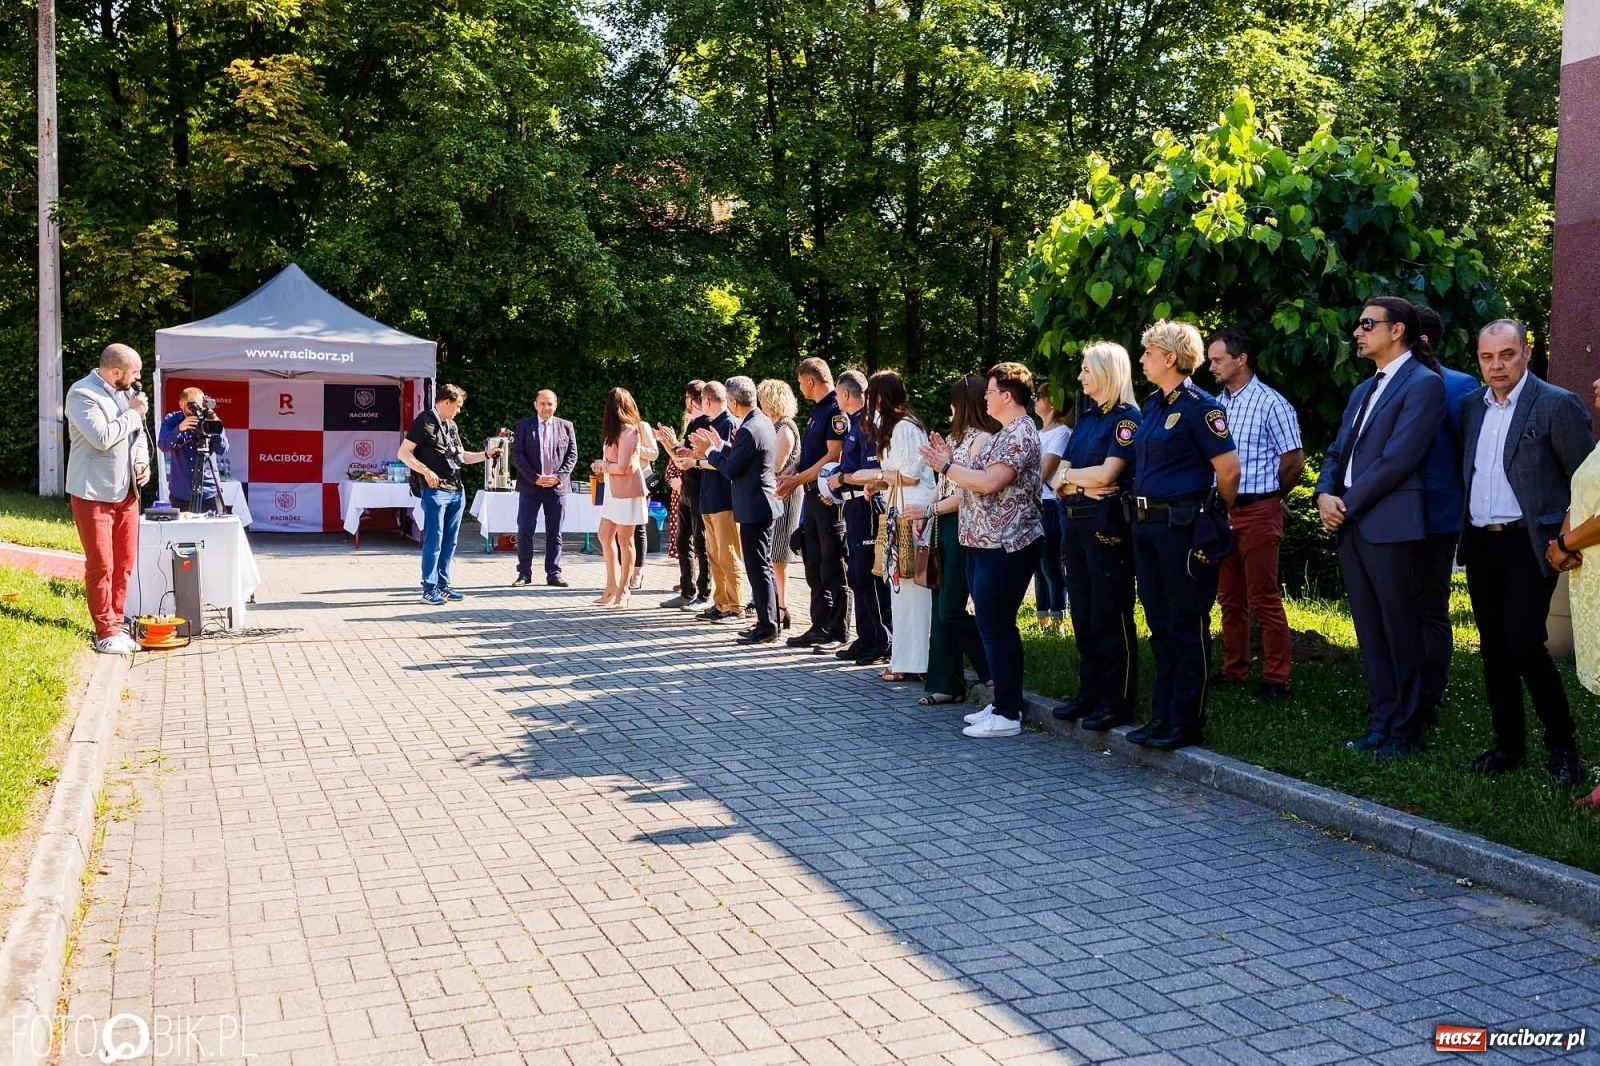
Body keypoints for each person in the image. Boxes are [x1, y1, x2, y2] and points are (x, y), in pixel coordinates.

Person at [1458, 320, 1590, 787]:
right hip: (1481, 540)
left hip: (1530, 545)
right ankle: (1507, 747)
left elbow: (1586, 481)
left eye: (1507, 355)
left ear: (1527, 352)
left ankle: (1564, 750)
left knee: (1524, 644)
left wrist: (1567, 541)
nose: (1497, 366)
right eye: (1487, 357)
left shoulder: (1557, 404)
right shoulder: (1472, 406)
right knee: (1493, 649)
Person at [1315, 297, 1446, 757]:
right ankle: (1382, 722)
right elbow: (1336, 451)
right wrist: (1322, 494)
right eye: (1359, 323)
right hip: (1353, 522)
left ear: (1397, 331)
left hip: (1389, 524)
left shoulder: (1424, 384)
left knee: (1400, 629)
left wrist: (1344, 504)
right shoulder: (1363, 389)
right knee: (1370, 630)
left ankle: (1406, 730)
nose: (1357, 331)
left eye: (1368, 323)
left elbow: (1398, 460)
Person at [1124, 321, 1240, 750]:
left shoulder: (1200, 406)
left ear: (1170, 357)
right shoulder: (1153, 406)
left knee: (1184, 623)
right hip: (1146, 527)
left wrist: (1215, 512)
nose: (1142, 360)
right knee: (1158, 623)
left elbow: (1228, 470)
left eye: (1148, 353)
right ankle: (1163, 714)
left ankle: (1186, 720)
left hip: (1181, 527)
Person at [919, 363, 1044, 739]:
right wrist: (948, 462)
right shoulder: (1002, 434)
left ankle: (1008, 713)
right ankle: (1002, 702)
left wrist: (947, 465)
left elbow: (989, 483)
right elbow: (969, 476)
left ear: (1007, 396)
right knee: (992, 626)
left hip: (1007, 545)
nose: (985, 398)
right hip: (982, 544)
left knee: (998, 627)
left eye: (990, 392)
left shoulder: (1021, 433)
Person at [1206, 327, 1303, 700]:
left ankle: (1277, 677)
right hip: (1223, 511)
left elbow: (1293, 461)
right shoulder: (1217, 404)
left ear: (1240, 359)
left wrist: (1273, 496)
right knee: (1228, 597)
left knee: (1263, 596)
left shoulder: (1271, 403)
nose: (1211, 366)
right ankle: (1235, 669)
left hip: (1259, 510)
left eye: (1218, 360)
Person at [1051, 342, 1140, 729]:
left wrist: (1074, 481)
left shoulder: (1127, 420)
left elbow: (1108, 476)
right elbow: (1057, 478)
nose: (1080, 376)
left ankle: (1115, 699)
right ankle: (1088, 693)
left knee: (1110, 612)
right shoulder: (1087, 420)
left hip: (1106, 526)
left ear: (1106, 372)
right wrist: (1075, 482)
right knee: (1083, 613)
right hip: (1075, 521)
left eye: (1087, 369)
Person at [908, 375, 993, 706]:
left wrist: (927, 510)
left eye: (954, 401)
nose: (950, 407)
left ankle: (991, 664)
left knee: (950, 609)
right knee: (938, 604)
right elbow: (943, 483)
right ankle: (945, 681)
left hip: (961, 525)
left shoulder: (984, 439)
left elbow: (965, 493)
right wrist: (925, 516)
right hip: (943, 523)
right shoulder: (956, 439)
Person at [1413, 305, 1479, 722]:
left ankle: (1430, 696)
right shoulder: (1382, 382)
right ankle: (1400, 692)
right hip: (1388, 516)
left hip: (1437, 515)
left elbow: (1469, 455)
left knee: (1431, 608)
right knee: (1397, 608)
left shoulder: (1460, 386)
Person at [66, 343, 151, 654]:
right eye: (135, 372)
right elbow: (101, 438)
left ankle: (116, 625)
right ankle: (104, 632)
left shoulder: (126, 394)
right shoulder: (81, 394)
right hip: (93, 493)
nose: (138, 378)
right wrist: (132, 414)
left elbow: (138, 436)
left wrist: (143, 462)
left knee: (124, 563)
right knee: (102, 564)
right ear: (117, 372)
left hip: (127, 491)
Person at [853, 371, 933, 682]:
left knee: (910, 588)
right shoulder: (897, 427)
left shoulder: (904, 428)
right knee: (901, 588)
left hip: (912, 515)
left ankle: (913, 661)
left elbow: (912, 475)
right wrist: (879, 481)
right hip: (901, 511)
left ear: (881, 398)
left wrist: (870, 475)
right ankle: (905, 658)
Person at [693, 377, 782, 643]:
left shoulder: (748, 428)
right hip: (761, 503)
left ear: (732, 401)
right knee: (761, 566)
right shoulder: (760, 421)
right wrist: (720, 446)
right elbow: (742, 455)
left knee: (758, 568)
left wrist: (709, 451)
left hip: (755, 505)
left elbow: (731, 469)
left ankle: (767, 626)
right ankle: (770, 621)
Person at [398, 384, 500, 605]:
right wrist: (425, 471)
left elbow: (462, 457)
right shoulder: (423, 422)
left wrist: (486, 454)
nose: (459, 411)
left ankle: (444, 585)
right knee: (434, 540)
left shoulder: (451, 425)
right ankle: (428, 588)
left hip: (456, 490)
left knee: (450, 542)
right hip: (435, 492)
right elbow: (403, 453)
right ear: (446, 402)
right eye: (457, 406)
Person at [1548, 374, 1600, 810]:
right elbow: (1580, 497)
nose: (1596, 381)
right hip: (1590, 574)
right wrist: (1564, 542)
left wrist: (1563, 545)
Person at [826, 371, 892, 665]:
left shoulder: (868, 424)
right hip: (852, 506)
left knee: (866, 576)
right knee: (858, 575)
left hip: (867, 504)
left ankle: (882, 640)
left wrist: (840, 478)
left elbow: (869, 472)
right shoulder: (855, 423)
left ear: (844, 394)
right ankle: (865, 638)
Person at [782, 358, 850, 648]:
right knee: (812, 561)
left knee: (831, 563)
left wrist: (797, 480)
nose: (799, 387)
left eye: (800, 382)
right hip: (810, 494)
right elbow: (811, 452)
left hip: (827, 496)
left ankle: (838, 630)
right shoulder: (817, 412)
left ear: (810, 380)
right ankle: (819, 624)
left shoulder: (836, 411)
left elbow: (833, 456)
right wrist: (793, 469)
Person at [686, 381, 744, 621]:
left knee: (728, 554)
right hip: (709, 497)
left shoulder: (728, 423)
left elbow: (727, 463)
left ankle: (736, 605)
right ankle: (720, 602)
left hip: (724, 498)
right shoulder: (713, 423)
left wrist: (698, 461)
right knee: (714, 554)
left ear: (707, 401)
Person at [589, 388, 652, 608]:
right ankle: (611, 586)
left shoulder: (629, 431)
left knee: (625, 541)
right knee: (605, 535)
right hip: (613, 491)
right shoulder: (613, 432)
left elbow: (624, 467)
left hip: (628, 492)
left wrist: (601, 465)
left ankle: (623, 591)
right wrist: (603, 466)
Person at [510, 389, 577, 588]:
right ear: (535, 404)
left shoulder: (566, 426)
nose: (546, 407)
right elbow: (518, 455)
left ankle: (553, 573)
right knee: (524, 531)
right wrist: (535, 478)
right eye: (542, 403)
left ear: (555, 405)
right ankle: (524, 573)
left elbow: (572, 456)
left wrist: (558, 477)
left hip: (557, 488)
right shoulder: (524, 426)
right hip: (531, 488)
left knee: (554, 532)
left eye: (550, 404)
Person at [656, 382, 711, 609]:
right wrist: (667, 443)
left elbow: (694, 458)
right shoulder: (693, 424)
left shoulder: (705, 424)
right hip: (687, 491)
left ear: (690, 399)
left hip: (700, 491)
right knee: (683, 541)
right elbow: (680, 458)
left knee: (701, 543)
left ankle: (704, 593)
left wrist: (673, 445)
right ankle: (687, 590)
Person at [757, 379, 802, 630]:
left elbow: (776, 464)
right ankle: (774, 605)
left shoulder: (785, 426)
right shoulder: (773, 426)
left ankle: (782, 606)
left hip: (785, 494)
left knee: (778, 554)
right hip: (774, 494)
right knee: (771, 552)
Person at [1033, 385, 1070, 631]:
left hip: (1049, 502)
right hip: (1033, 503)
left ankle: (1058, 618)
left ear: (1053, 403)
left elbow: (1043, 472)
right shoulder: (1036, 432)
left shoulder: (1062, 433)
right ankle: (1042, 617)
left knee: (1050, 562)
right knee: (1037, 564)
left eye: (1039, 397)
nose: (1035, 401)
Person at [158, 386, 230, 513]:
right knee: (181, 532)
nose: (196, 410)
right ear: (181, 404)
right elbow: (163, 445)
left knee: (213, 532)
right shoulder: (172, 420)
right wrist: (179, 429)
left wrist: (215, 423)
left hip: (208, 490)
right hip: (181, 491)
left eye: (199, 405)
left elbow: (222, 449)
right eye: (191, 405)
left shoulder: (208, 418)